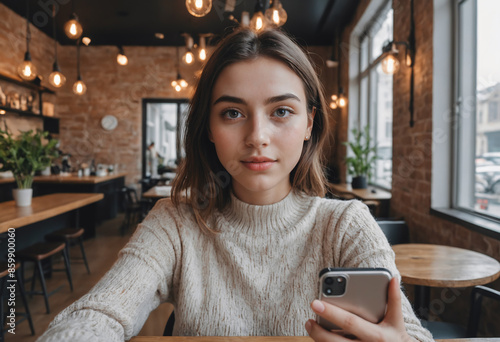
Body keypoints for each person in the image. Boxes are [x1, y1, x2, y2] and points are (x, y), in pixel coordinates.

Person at [37, 28, 434, 342]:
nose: (257, 135)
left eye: (281, 111)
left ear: (309, 123)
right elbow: (100, 313)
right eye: (232, 112)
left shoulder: (345, 224)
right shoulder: (175, 223)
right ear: (208, 128)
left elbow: (409, 331)